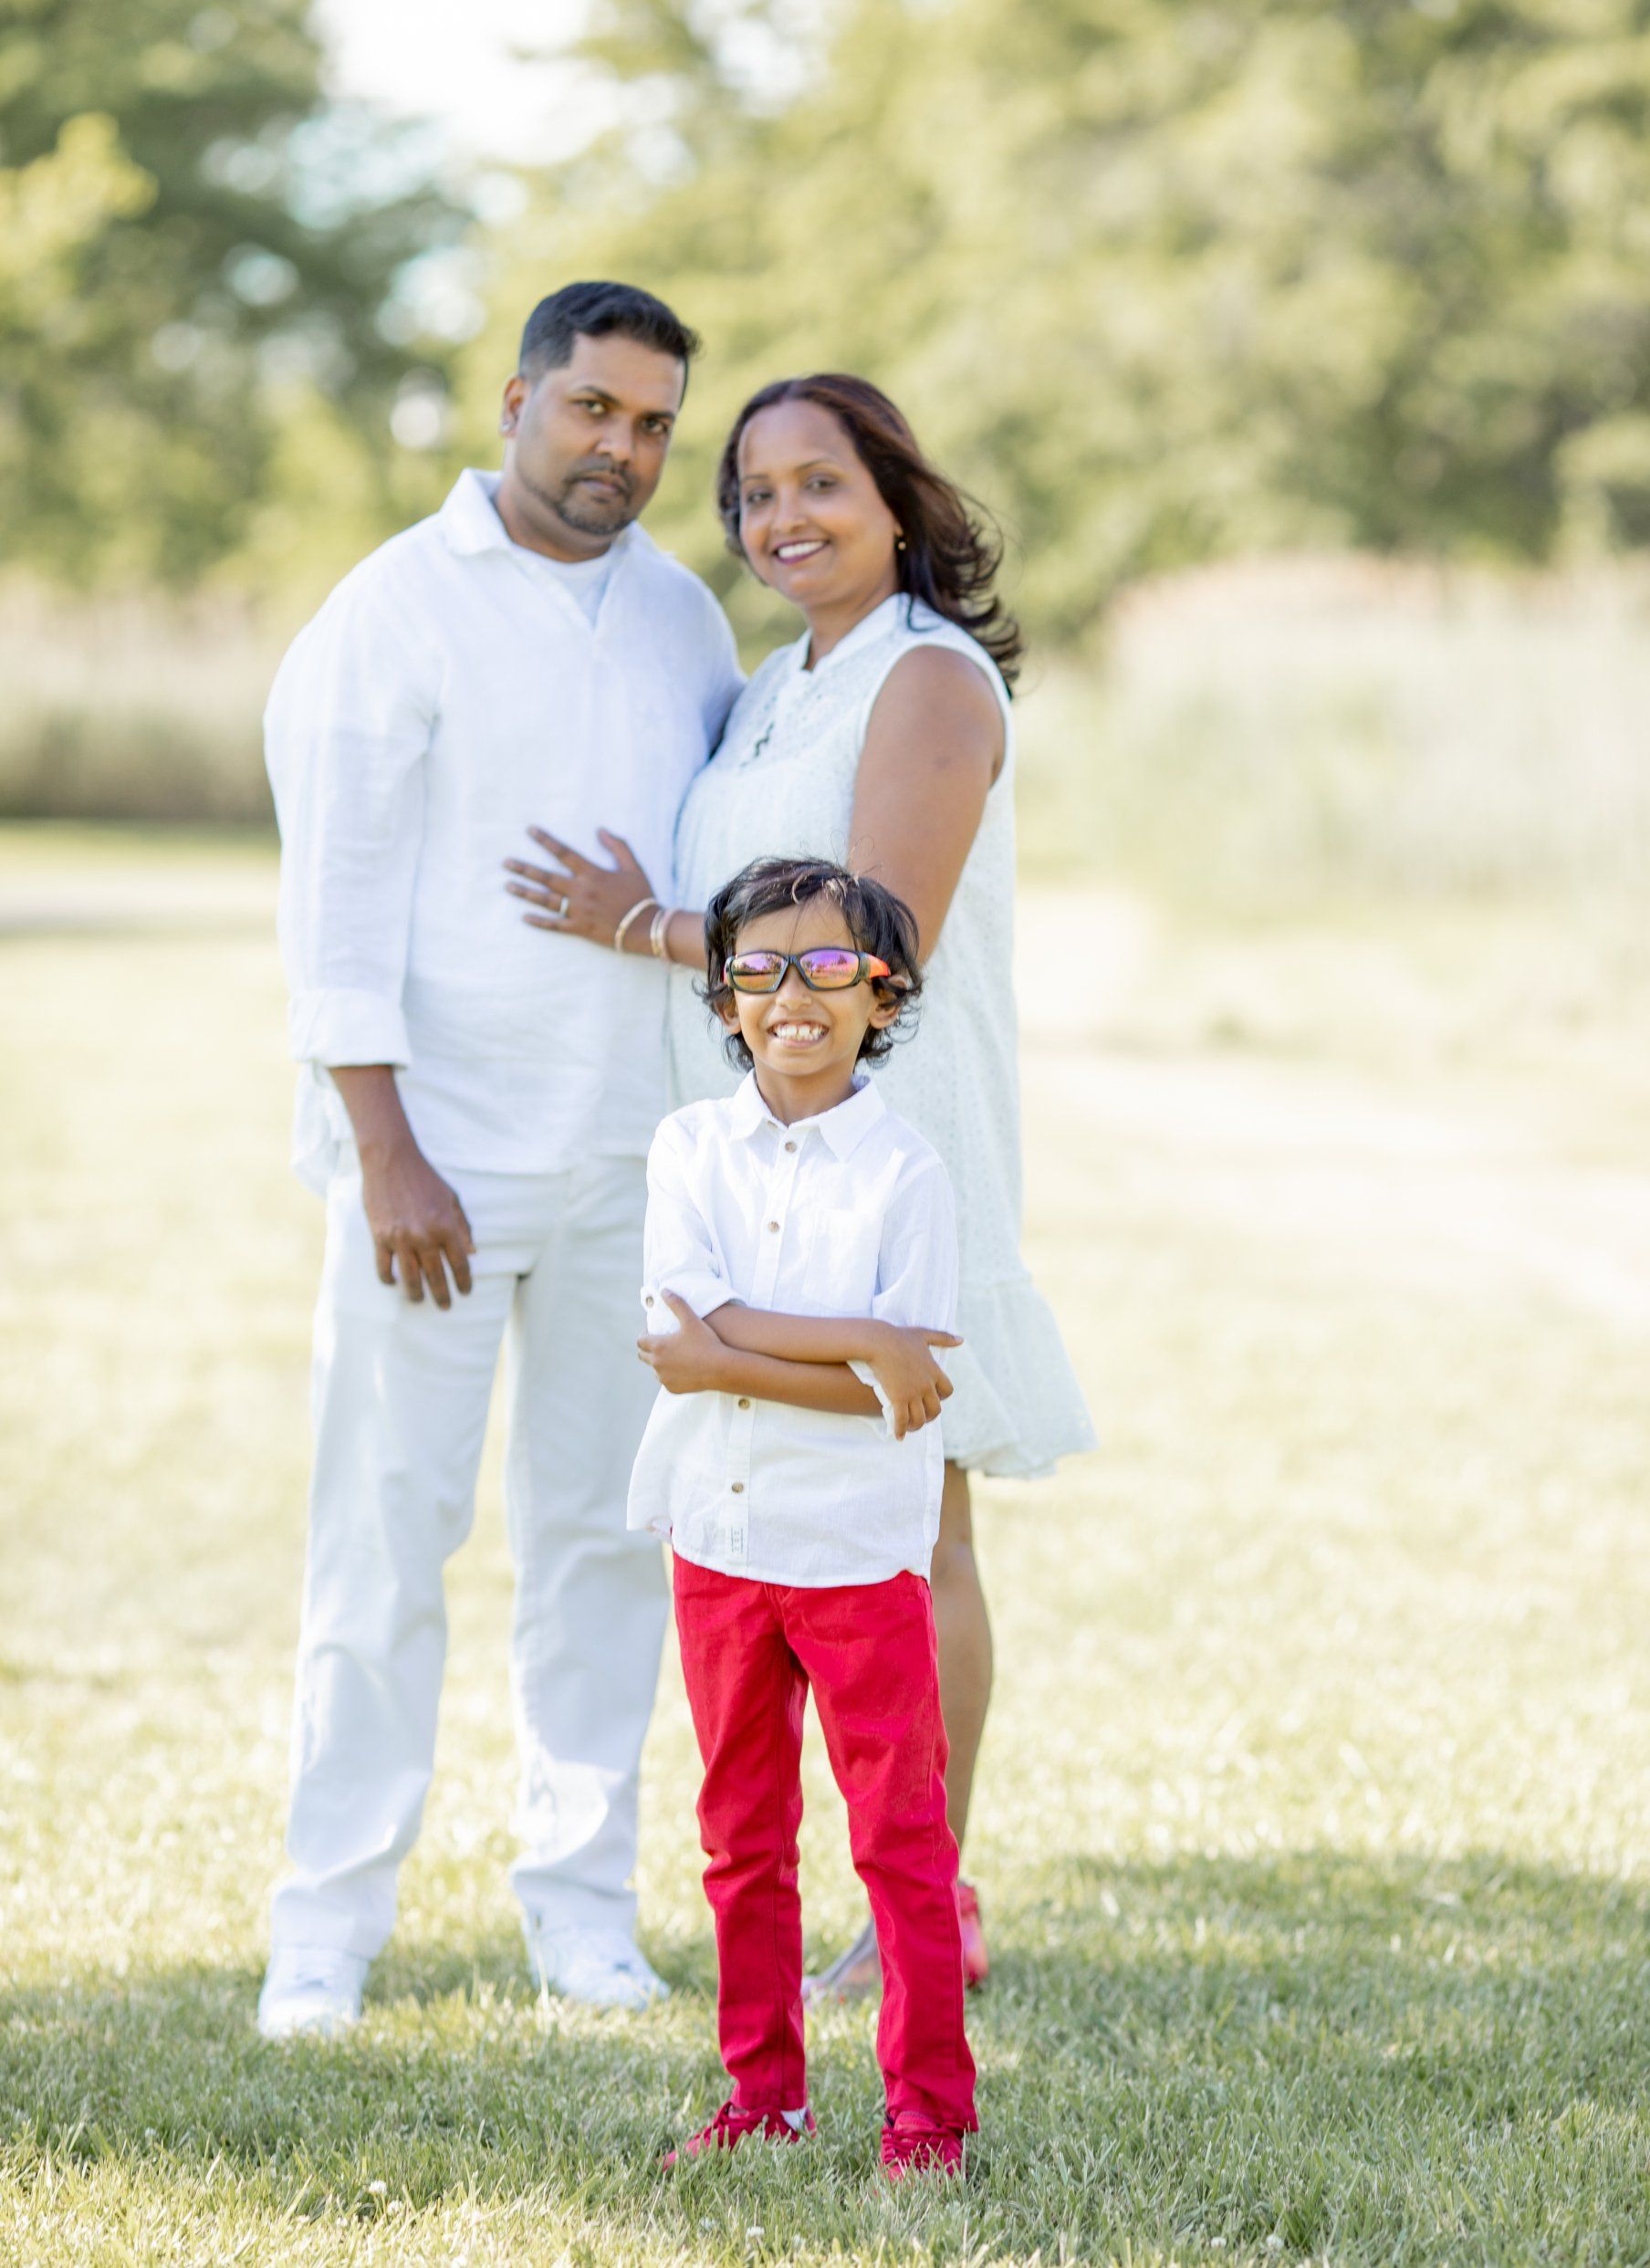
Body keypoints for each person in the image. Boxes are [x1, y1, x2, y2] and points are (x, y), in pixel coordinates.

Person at [500, 373, 1095, 1998]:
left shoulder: (929, 679)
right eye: (755, 494)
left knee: (915, 1529)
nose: (783, 519)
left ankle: (929, 1909)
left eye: (818, 482)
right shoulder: (773, 688)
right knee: (792, 1522)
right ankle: (843, 1889)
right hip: (757, 1145)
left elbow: (875, 938)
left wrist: (644, 927)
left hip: (898, 1138)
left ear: (897, 497)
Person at [256, 281, 743, 2040]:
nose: (623, 448)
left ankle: (581, 1913)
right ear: (521, 394)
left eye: (654, 425)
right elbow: (338, 906)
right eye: (595, 409)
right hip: (435, 1165)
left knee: (604, 1540)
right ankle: (324, 1929)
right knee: (384, 1541)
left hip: (625, 1158)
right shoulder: (393, 611)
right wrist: (384, 1148)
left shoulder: (686, 617)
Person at [630, 854, 976, 2177]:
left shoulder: (907, 1174)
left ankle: (930, 2115)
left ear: (881, 997)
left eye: (830, 967)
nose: (794, 993)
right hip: (719, 1546)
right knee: (742, 1839)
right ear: (725, 1000)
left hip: (853, 1557)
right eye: (762, 969)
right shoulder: (688, 1146)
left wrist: (742, 1354)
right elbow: (687, 1326)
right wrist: (850, 1341)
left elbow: (897, 1394)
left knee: (900, 1840)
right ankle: (763, 2094)